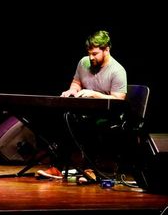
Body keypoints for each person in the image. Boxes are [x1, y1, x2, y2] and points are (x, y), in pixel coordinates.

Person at [36, 30, 127, 181]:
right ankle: (56, 167)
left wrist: (96, 94)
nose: (91, 57)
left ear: (107, 50)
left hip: (108, 116)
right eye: (89, 53)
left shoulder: (117, 71)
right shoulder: (84, 62)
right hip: (85, 111)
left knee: (89, 124)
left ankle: (90, 169)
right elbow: (76, 82)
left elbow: (119, 100)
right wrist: (72, 90)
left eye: (95, 53)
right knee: (62, 118)